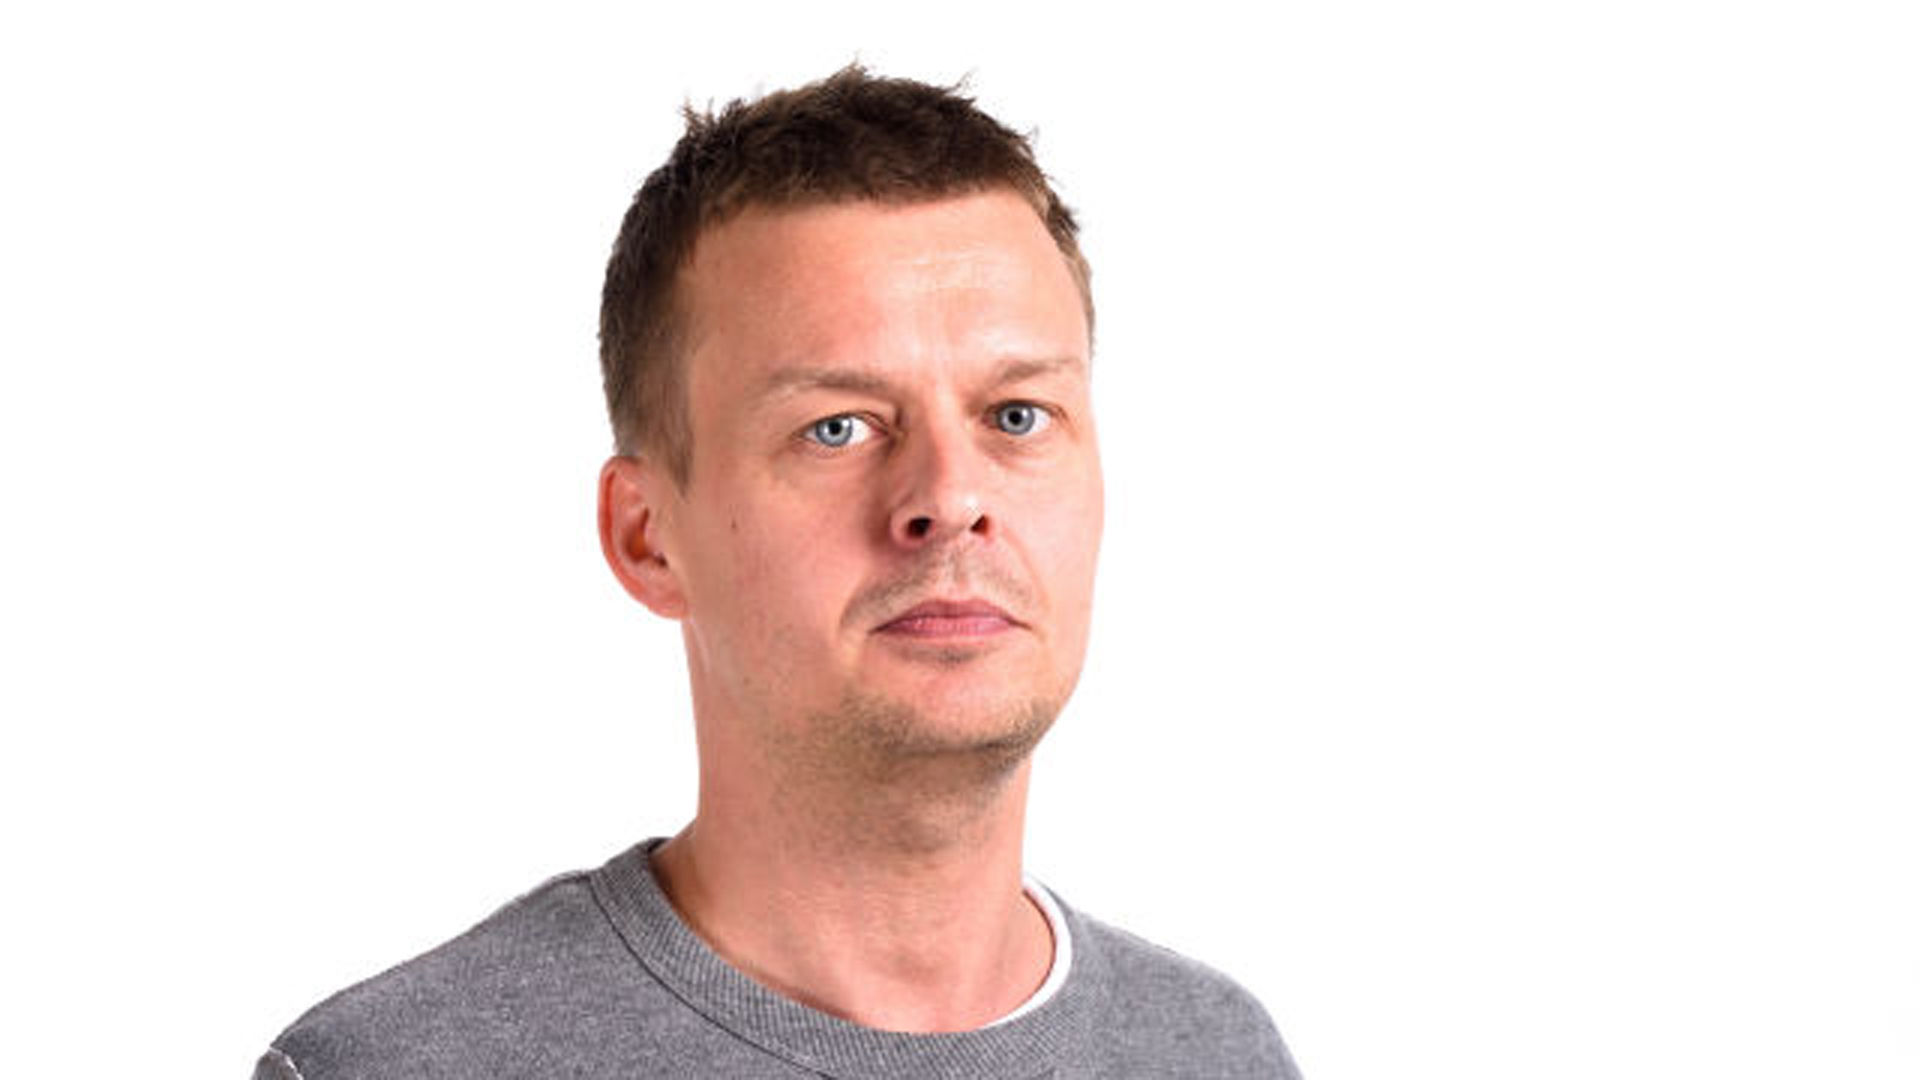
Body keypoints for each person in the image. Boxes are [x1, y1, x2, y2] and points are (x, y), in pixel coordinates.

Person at [254, 66, 1302, 1079]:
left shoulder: (1217, 1055)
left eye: (1017, 415)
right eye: (837, 427)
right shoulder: (397, 1067)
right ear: (647, 538)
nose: (950, 496)